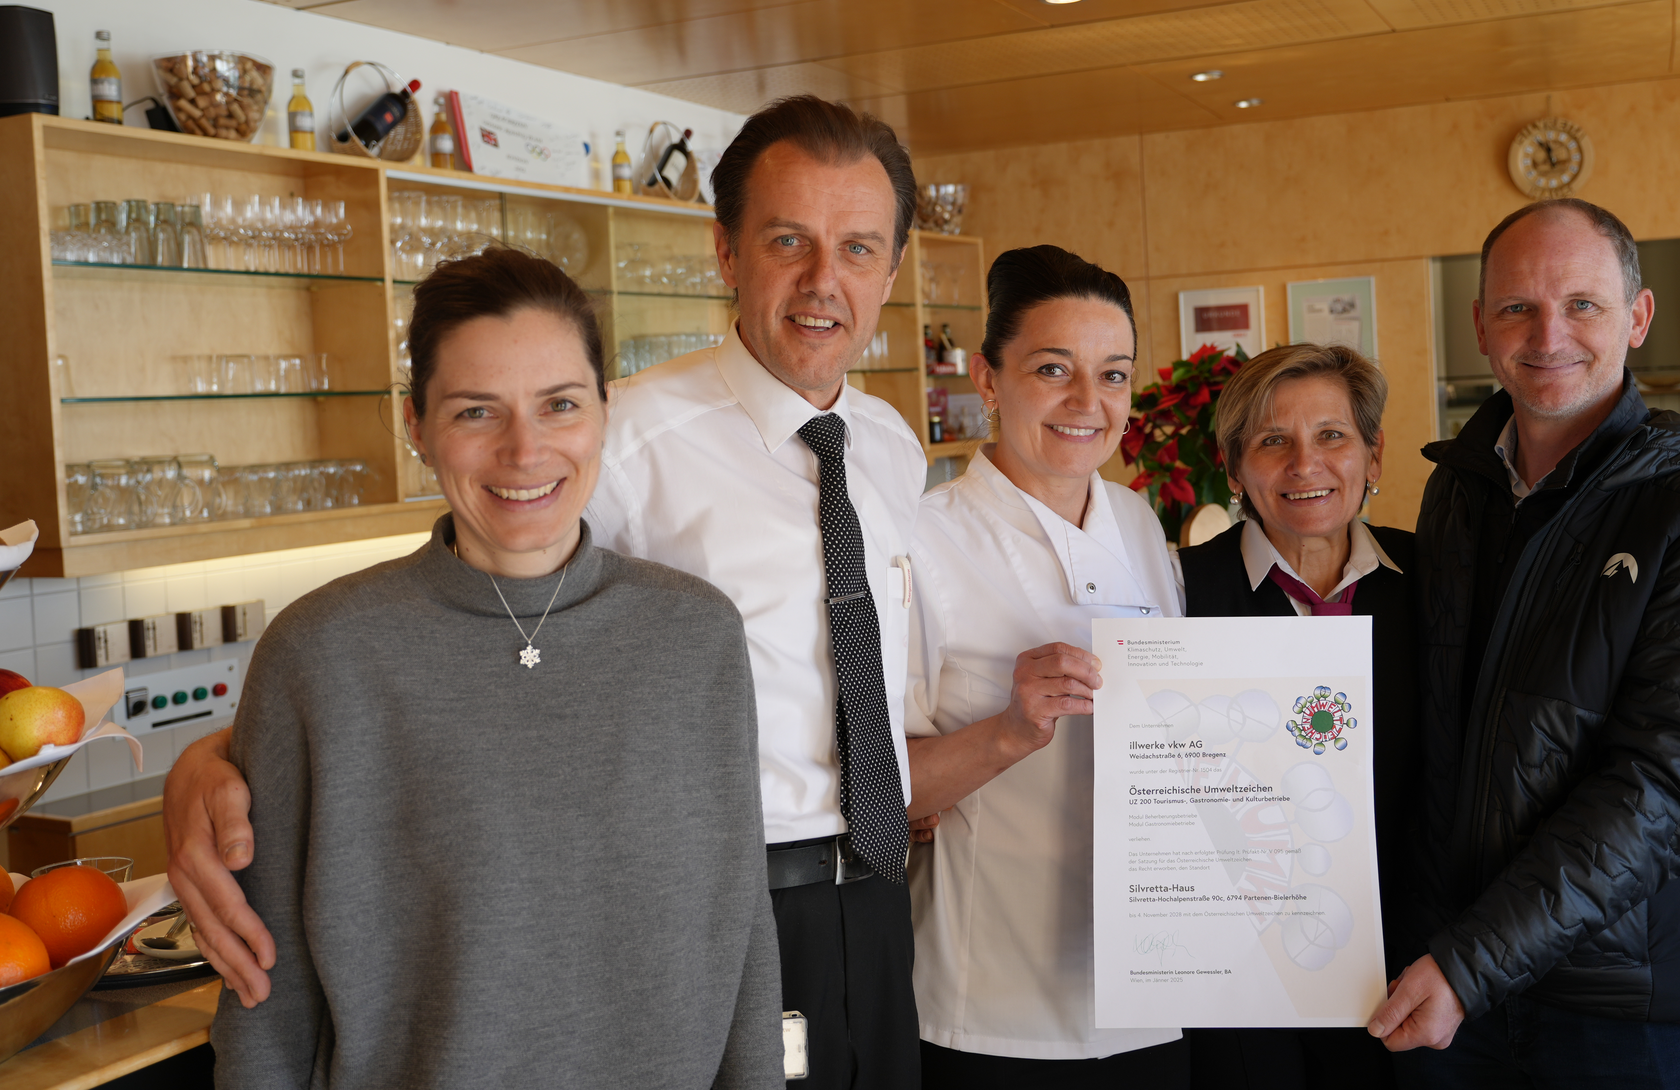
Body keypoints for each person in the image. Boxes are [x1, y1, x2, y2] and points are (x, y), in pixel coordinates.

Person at [165, 96, 928, 1090]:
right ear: (727, 252)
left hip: (867, 896)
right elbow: (453, 634)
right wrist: (217, 757)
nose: (824, 279)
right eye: (788, 240)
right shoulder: (619, 439)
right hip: (688, 919)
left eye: (859, 248)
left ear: (892, 271)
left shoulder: (894, 448)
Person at [209, 247, 780, 1087]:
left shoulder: (697, 637)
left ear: (604, 411)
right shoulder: (319, 656)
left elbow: (742, 927)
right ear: (416, 426)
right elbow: (266, 990)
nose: (525, 449)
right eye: (477, 412)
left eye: (560, 405)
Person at [1369, 198, 1680, 1088]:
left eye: (1582, 304)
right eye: (1517, 307)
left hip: (1630, 1003)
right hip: (1455, 984)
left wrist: (1470, 961)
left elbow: (1665, 787)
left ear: (1637, 318)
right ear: (1480, 327)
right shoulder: (1458, 492)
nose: (1548, 335)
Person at [903, 245, 1189, 1088]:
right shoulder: (919, 539)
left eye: (1113, 375)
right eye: (1053, 369)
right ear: (988, 381)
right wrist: (1007, 731)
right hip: (992, 1008)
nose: (1087, 402)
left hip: (1152, 991)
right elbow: (882, 795)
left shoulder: (1140, 524)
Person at [1176, 342, 1416, 1089]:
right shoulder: (1175, 593)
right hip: (1237, 980)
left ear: (1373, 456)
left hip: (1406, 968)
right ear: (1234, 468)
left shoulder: (1436, 582)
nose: (1305, 464)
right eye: (1273, 441)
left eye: (1332, 436)